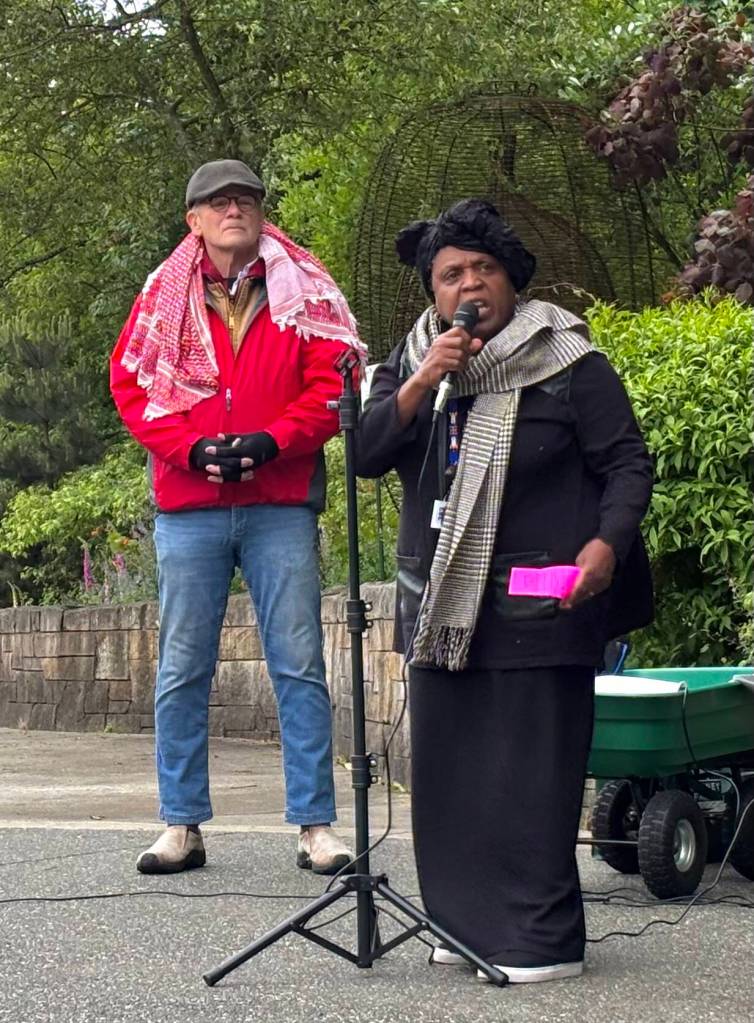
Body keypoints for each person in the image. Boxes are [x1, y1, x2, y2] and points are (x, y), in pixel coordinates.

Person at [356, 198, 653, 983]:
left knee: (529, 774)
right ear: (433, 292)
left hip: (543, 603)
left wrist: (605, 546)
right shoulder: (419, 360)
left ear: (512, 281)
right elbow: (367, 452)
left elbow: (628, 462)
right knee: (451, 776)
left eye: (483, 269)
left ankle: (538, 940)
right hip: (444, 608)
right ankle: (459, 923)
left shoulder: (568, 360)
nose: (468, 285)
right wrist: (422, 379)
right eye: (450, 274)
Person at [111, 159, 364, 876]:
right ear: (193, 220)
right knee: (182, 666)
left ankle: (316, 826)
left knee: (299, 663)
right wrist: (190, 448)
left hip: (279, 502)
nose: (234, 210)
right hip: (189, 505)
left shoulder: (304, 292)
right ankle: (180, 824)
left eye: (246, 199)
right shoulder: (161, 297)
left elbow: (332, 383)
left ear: (260, 212)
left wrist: (273, 442)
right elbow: (130, 387)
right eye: (218, 202)